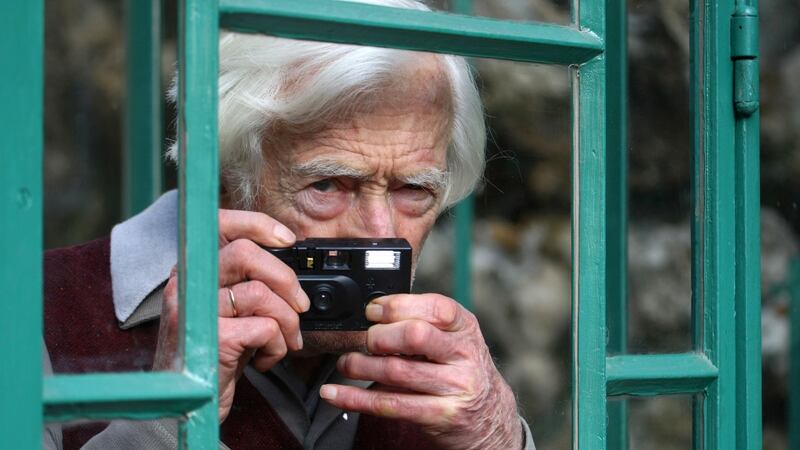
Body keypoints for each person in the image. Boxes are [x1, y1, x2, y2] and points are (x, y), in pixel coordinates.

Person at [43, 0, 536, 448]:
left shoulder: (444, 363)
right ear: (222, 179)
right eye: (327, 185)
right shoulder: (37, 313)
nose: (378, 232)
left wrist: (499, 439)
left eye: (413, 189)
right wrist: (164, 423)